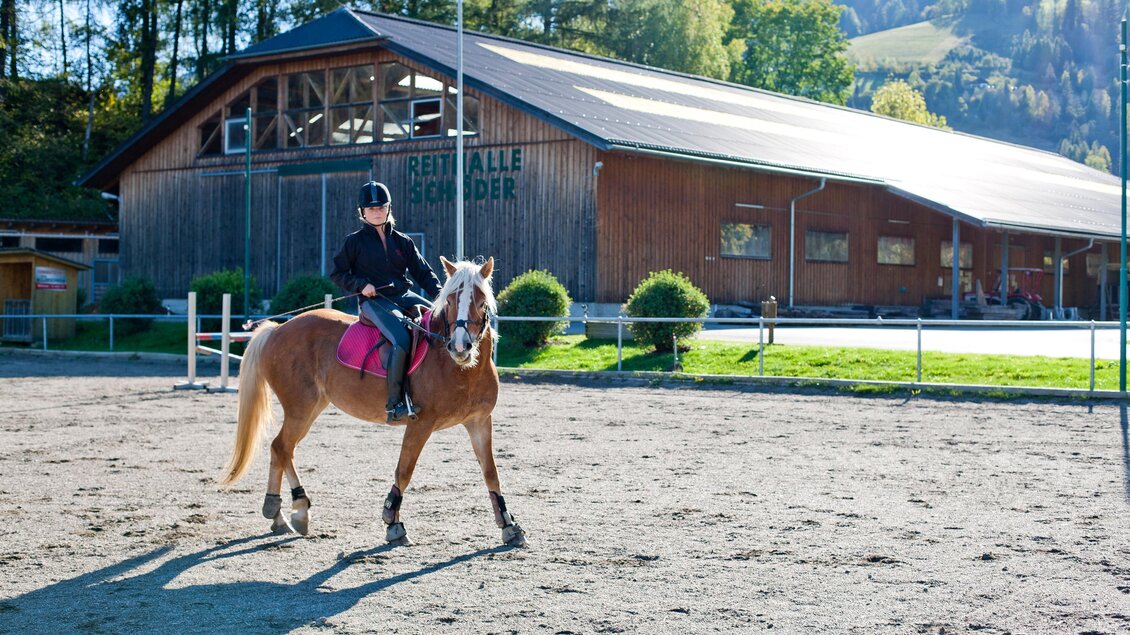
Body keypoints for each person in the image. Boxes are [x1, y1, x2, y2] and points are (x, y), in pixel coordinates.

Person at [330, 181, 442, 422]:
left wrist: (441, 297)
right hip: (375, 301)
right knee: (401, 338)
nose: (376, 212)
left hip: (404, 295)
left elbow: (423, 272)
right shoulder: (354, 242)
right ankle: (395, 404)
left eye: (381, 207)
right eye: (371, 209)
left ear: (389, 208)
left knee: (438, 321)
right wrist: (362, 285)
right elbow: (337, 274)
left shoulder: (403, 241)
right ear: (362, 213)